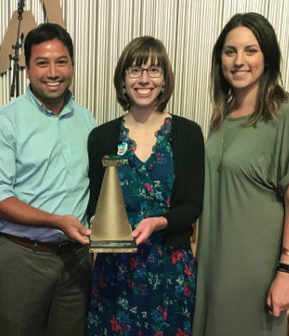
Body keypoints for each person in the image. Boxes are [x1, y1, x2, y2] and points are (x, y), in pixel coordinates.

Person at [192, 13, 289, 335]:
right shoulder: (221, 118)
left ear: (268, 57)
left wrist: (287, 272)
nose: (239, 60)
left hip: (255, 274)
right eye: (230, 51)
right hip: (212, 267)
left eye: (251, 50)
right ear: (219, 59)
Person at [0, 23, 97, 336]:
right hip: (24, 259)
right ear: (28, 68)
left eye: (61, 61)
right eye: (42, 63)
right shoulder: (5, 122)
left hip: (76, 261)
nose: (53, 72)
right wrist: (56, 221)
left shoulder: (87, 121)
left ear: (72, 65)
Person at [87, 36, 204, 335]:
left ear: (165, 80)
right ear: (122, 79)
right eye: (135, 70)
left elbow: (193, 204)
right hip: (116, 270)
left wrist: (158, 221)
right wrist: (95, 224)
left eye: (154, 70)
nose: (144, 79)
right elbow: (95, 204)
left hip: (170, 267)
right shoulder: (101, 137)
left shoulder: (188, 134)